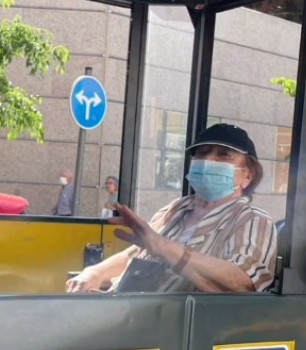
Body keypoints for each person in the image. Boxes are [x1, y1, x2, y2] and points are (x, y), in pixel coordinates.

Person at [67, 124, 277, 293]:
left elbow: (242, 281)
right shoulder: (176, 209)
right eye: (201, 153)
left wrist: (165, 248)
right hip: (125, 313)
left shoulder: (252, 220)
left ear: (248, 176)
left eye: (223, 155)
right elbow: (137, 253)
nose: (208, 160)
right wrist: (93, 273)